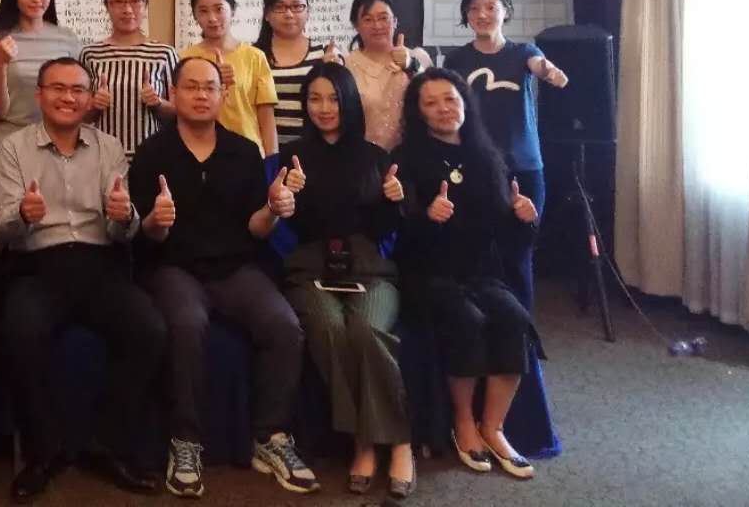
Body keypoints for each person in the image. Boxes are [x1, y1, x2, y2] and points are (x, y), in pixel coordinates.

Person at [129, 55, 318, 499]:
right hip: (174, 266)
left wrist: (273, 209)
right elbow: (144, 235)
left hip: (235, 267)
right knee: (187, 324)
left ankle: (271, 438)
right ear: (173, 94)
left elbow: (256, 228)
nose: (201, 95)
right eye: (191, 87)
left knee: (284, 326)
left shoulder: (244, 151)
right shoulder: (152, 152)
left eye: (209, 87)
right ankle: (185, 441)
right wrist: (156, 220)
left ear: (223, 94)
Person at [0, 57, 165, 501]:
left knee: (148, 329)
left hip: (99, 263)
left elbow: (123, 230)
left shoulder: (109, 147)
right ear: (40, 95)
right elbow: (2, 231)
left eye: (77, 90)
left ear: (89, 99)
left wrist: (125, 217)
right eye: (58, 88)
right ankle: (42, 453)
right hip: (38, 263)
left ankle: (107, 445)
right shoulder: (13, 148)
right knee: (20, 331)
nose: (68, 98)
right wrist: (23, 215)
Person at [396, 69, 541, 481]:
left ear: (464, 102)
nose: (444, 108)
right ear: (419, 112)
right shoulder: (406, 158)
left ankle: (493, 427)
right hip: (429, 272)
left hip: (481, 272)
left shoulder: (487, 155)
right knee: (467, 320)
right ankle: (463, 424)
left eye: (450, 99)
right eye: (431, 103)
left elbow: (508, 237)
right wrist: (427, 216)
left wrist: (524, 218)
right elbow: (398, 233)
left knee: (514, 319)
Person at [276, 63, 414, 498]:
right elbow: (292, 229)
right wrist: (290, 195)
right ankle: (364, 444)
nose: (324, 108)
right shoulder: (292, 157)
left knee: (367, 329)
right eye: (314, 99)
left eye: (333, 98)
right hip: (311, 268)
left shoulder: (375, 156)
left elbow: (382, 231)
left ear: (349, 101)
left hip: (370, 267)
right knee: (330, 327)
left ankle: (400, 442)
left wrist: (393, 202)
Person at [443, 0, 567, 219]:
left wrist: (550, 71)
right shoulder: (456, 59)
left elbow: (539, 66)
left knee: (524, 233)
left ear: (506, 11)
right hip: (473, 161)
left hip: (523, 163)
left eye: (491, 7)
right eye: (474, 8)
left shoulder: (524, 52)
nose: (482, 15)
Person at [0, 0, 81, 157]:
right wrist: (0, 63)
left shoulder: (67, 39)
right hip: (10, 147)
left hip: (57, 148)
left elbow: (76, 98)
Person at [79, 0, 177, 158]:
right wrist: (94, 105)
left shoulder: (164, 54)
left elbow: (180, 114)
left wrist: (157, 103)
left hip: (152, 158)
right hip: (101, 158)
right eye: (118, 2)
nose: (127, 10)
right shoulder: (90, 54)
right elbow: (79, 116)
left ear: (146, 5)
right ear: (107, 5)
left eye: (136, 1)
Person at [179, 0, 279, 156]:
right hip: (199, 154)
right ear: (194, 15)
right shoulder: (185, 59)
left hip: (249, 154)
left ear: (232, 9)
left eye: (219, 9)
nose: (212, 18)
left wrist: (272, 161)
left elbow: (266, 117)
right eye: (203, 11)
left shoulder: (255, 57)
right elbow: (180, 112)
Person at [343, 0, 431, 153]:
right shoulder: (346, 65)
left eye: (383, 18)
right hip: (361, 156)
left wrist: (412, 65)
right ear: (356, 25)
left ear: (395, 21)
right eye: (368, 19)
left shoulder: (417, 57)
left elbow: (433, 97)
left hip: (412, 155)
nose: (377, 26)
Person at [252, 0, 331, 150]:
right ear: (267, 14)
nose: (289, 14)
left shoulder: (324, 55)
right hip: (262, 154)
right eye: (280, 7)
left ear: (308, 11)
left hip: (313, 153)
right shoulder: (253, 56)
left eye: (297, 6)